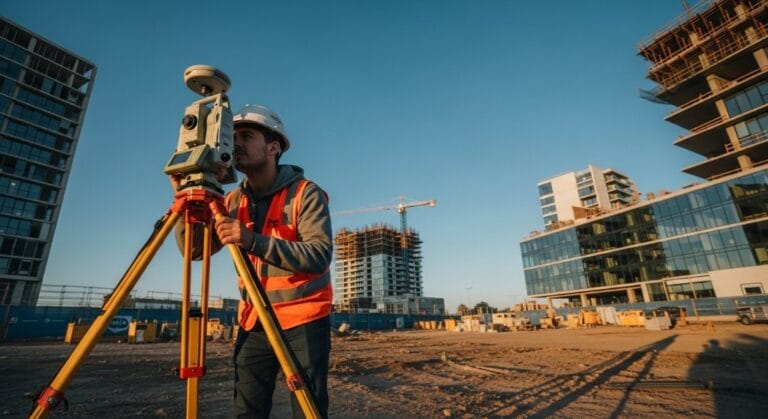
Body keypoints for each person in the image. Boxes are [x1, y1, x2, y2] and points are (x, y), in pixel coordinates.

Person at [173, 104, 333, 418]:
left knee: (309, 410)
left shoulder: (306, 194)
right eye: (233, 137)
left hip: (302, 320)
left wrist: (252, 240)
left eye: (246, 136)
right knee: (247, 410)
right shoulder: (232, 200)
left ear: (274, 147)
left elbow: (318, 255)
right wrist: (186, 198)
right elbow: (194, 251)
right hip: (254, 321)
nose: (236, 143)